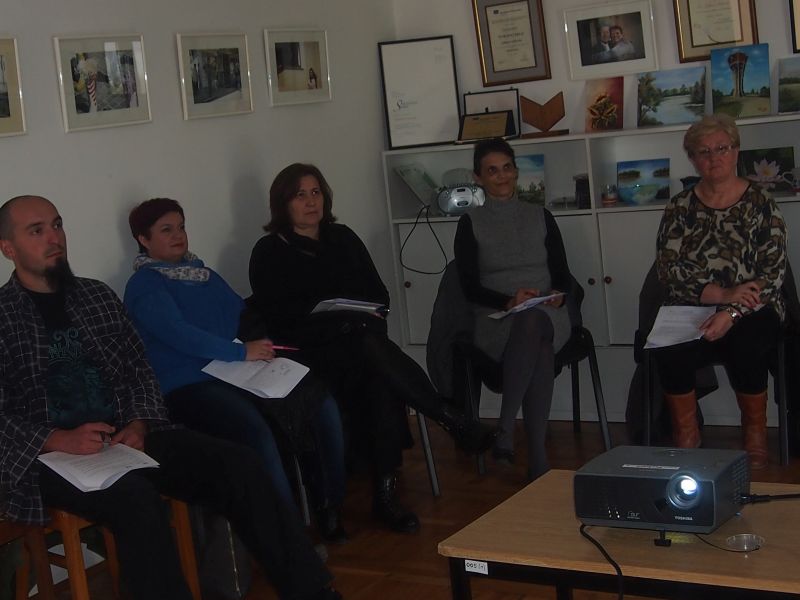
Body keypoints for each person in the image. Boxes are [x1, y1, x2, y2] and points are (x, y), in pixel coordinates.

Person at [0, 195, 341, 600]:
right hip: (49, 457)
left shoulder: (96, 297)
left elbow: (139, 369)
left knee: (239, 464)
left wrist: (139, 422)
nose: (54, 237)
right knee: (137, 502)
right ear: (8, 248)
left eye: (57, 225)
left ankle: (311, 591)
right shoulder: (4, 315)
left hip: (125, 437)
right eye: (36, 231)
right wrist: (56, 438)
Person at [248, 163, 495, 533]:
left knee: (377, 376)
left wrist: (360, 318)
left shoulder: (343, 238)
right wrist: (336, 321)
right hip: (308, 353)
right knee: (369, 350)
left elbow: (379, 296)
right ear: (283, 203)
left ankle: (385, 495)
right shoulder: (269, 251)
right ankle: (449, 418)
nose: (311, 201)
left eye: (316, 192)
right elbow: (278, 316)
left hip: (358, 345)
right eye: (300, 195)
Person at [123, 198, 348, 544]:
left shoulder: (205, 275)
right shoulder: (145, 284)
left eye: (181, 227)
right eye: (166, 230)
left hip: (235, 372)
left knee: (318, 400)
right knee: (254, 429)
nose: (178, 235)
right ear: (143, 239)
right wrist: (240, 352)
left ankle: (330, 506)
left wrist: (263, 347)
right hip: (187, 385)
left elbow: (242, 314)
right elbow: (178, 333)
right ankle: (287, 535)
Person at [652, 114, 787, 469]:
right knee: (669, 345)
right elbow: (668, 269)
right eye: (704, 152)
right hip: (694, 304)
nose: (714, 158)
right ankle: (687, 434)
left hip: (754, 307)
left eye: (722, 149)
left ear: (736, 151)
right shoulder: (679, 206)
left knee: (748, 344)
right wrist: (720, 296)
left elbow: (773, 273)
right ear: (693, 159)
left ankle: (754, 435)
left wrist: (732, 312)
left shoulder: (761, 203)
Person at [454, 138, 574, 482]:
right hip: (497, 318)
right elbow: (469, 286)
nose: (502, 176)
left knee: (533, 320)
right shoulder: (470, 222)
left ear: (516, 172)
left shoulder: (541, 216)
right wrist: (508, 302)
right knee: (536, 342)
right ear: (478, 178)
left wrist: (558, 294)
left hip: (547, 312)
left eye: (507, 168)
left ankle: (505, 428)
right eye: (492, 171)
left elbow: (562, 273)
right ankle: (538, 461)